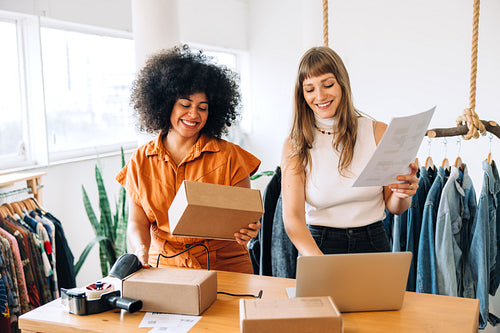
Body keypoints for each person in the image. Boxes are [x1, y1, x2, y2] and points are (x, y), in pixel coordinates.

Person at [116, 45, 261, 273]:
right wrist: (140, 250)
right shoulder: (140, 160)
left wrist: (248, 231)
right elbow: (137, 223)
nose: (193, 114)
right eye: (185, 104)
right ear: (165, 105)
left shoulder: (231, 156)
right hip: (163, 265)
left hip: (224, 266)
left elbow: (243, 220)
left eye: (202, 108)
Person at [281, 46, 419, 256]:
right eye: (309, 89)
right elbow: (293, 219)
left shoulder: (378, 132)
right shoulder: (295, 144)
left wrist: (403, 192)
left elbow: (396, 208)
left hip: (373, 243)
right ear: (302, 95)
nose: (319, 96)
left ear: (342, 84)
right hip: (318, 246)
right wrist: (319, 261)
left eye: (328, 84)